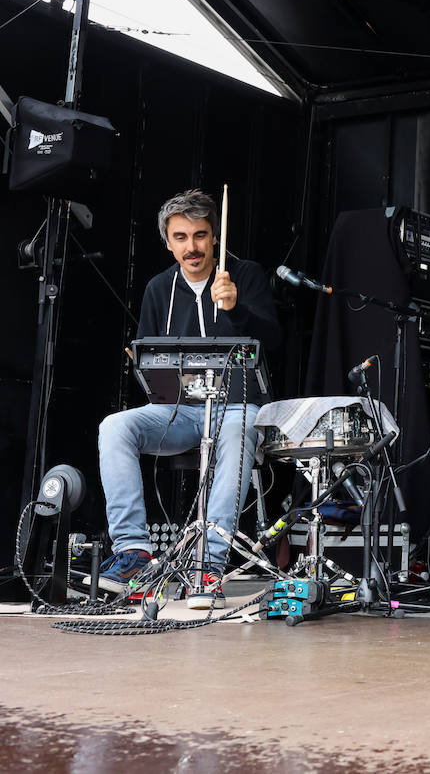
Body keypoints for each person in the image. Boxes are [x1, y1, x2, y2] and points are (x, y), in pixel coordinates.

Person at [96, 189, 281, 609]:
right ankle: (134, 554)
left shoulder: (245, 274)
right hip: (177, 411)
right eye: (181, 237)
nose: (192, 247)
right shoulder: (159, 288)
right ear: (168, 242)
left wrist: (236, 309)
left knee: (239, 425)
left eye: (200, 236)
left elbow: (273, 339)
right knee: (115, 426)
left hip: (236, 407)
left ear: (214, 237)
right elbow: (146, 354)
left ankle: (208, 565)